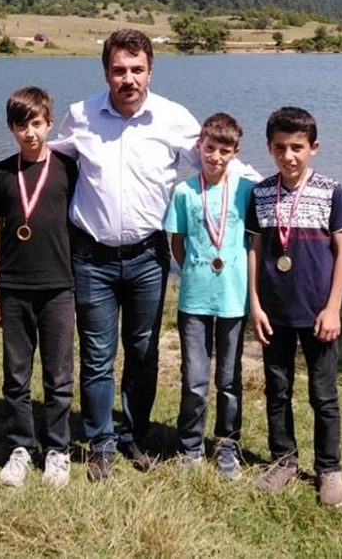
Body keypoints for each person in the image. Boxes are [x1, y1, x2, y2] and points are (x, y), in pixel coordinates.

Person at [50, 28, 200, 481]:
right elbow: (47, 163)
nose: (128, 79)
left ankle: (134, 435)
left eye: (137, 70)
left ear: (151, 71)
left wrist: (268, 191)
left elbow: (216, 162)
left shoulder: (173, 118)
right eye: (119, 70)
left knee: (143, 351)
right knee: (97, 355)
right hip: (90, 258)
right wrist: (0, 194)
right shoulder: (80, 115)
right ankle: (101, 444)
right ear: (106, 72)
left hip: (148, 258)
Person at [246, 106, 342, 507]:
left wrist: (333, 308)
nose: (288, 156)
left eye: (297, 147)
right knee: (277, 389)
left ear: (314, 147)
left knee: (323, 394)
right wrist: (255, 304)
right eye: (280, 148)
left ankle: (329, 468)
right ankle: (284, 460)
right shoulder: (261, 192)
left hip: (317, 313)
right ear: (269, 148)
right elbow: (255, 250)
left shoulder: (330, 190)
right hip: (274, 312)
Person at [0, 87, 78, 488]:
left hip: (59, 287)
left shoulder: (68, 169)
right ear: (11, 128)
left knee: (59, 376)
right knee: (16, 375)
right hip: (15, 287)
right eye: (21, 125)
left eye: (36, 123)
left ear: (50, 124)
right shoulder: (3, 172)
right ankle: (21, 447)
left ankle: (57, 449)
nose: (29, 133)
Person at [163, 112, 255, 479]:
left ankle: (227, 444)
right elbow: (177, 241)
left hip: (234, 298)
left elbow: (255, 241)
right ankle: (190, 446)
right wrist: (193, 269)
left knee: (229, 379)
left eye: (224, 151)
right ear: (199, 147)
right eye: (210, 148)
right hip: (195, 298)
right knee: (194, 377)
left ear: (235, 153)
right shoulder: (185, 192)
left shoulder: (246, 191)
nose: (216, 156)